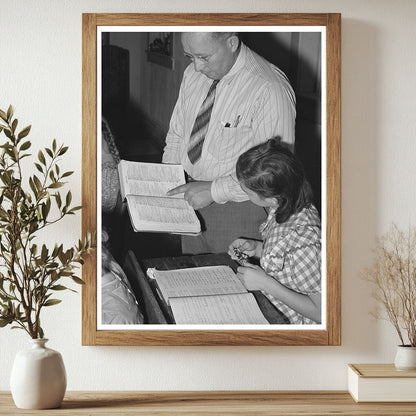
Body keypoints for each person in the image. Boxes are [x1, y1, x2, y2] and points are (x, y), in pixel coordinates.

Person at [163, 32, 296, 254]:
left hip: (240, 207)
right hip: (190, 197)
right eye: (190, 56)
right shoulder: (193, 74)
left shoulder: (269, 87)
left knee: (234, 284)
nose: (197, 67)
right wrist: (167, 178)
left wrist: (214, 191)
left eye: (204, 57)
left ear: (232, 43)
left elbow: (274, 171)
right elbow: (177, 134)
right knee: (191, 281)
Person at [228, 138, 321, 324]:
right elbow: (288, 260)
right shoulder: (284, 206)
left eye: (248, 193)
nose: (246, 195)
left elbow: (322, 313)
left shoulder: (305, 242)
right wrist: (257, 248)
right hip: (272, 306)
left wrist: (265, 283)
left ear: (272, 198)